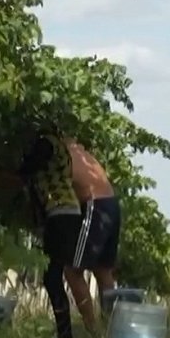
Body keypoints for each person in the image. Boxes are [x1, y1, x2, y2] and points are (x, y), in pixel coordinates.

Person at [17, 127, 88, 338]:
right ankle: (65, 337)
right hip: (65, 214)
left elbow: (28, 168)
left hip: (61, 214)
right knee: (54, 276)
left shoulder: (47, 143)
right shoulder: (60, 148)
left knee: (53, 277)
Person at [64, 139, 123, 324]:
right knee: (103, 270)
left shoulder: (63, 156)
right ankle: (108, 327)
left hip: (96, 206)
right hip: (112, 205)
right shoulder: (81, 152)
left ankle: (92, 329)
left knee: (72, 271)